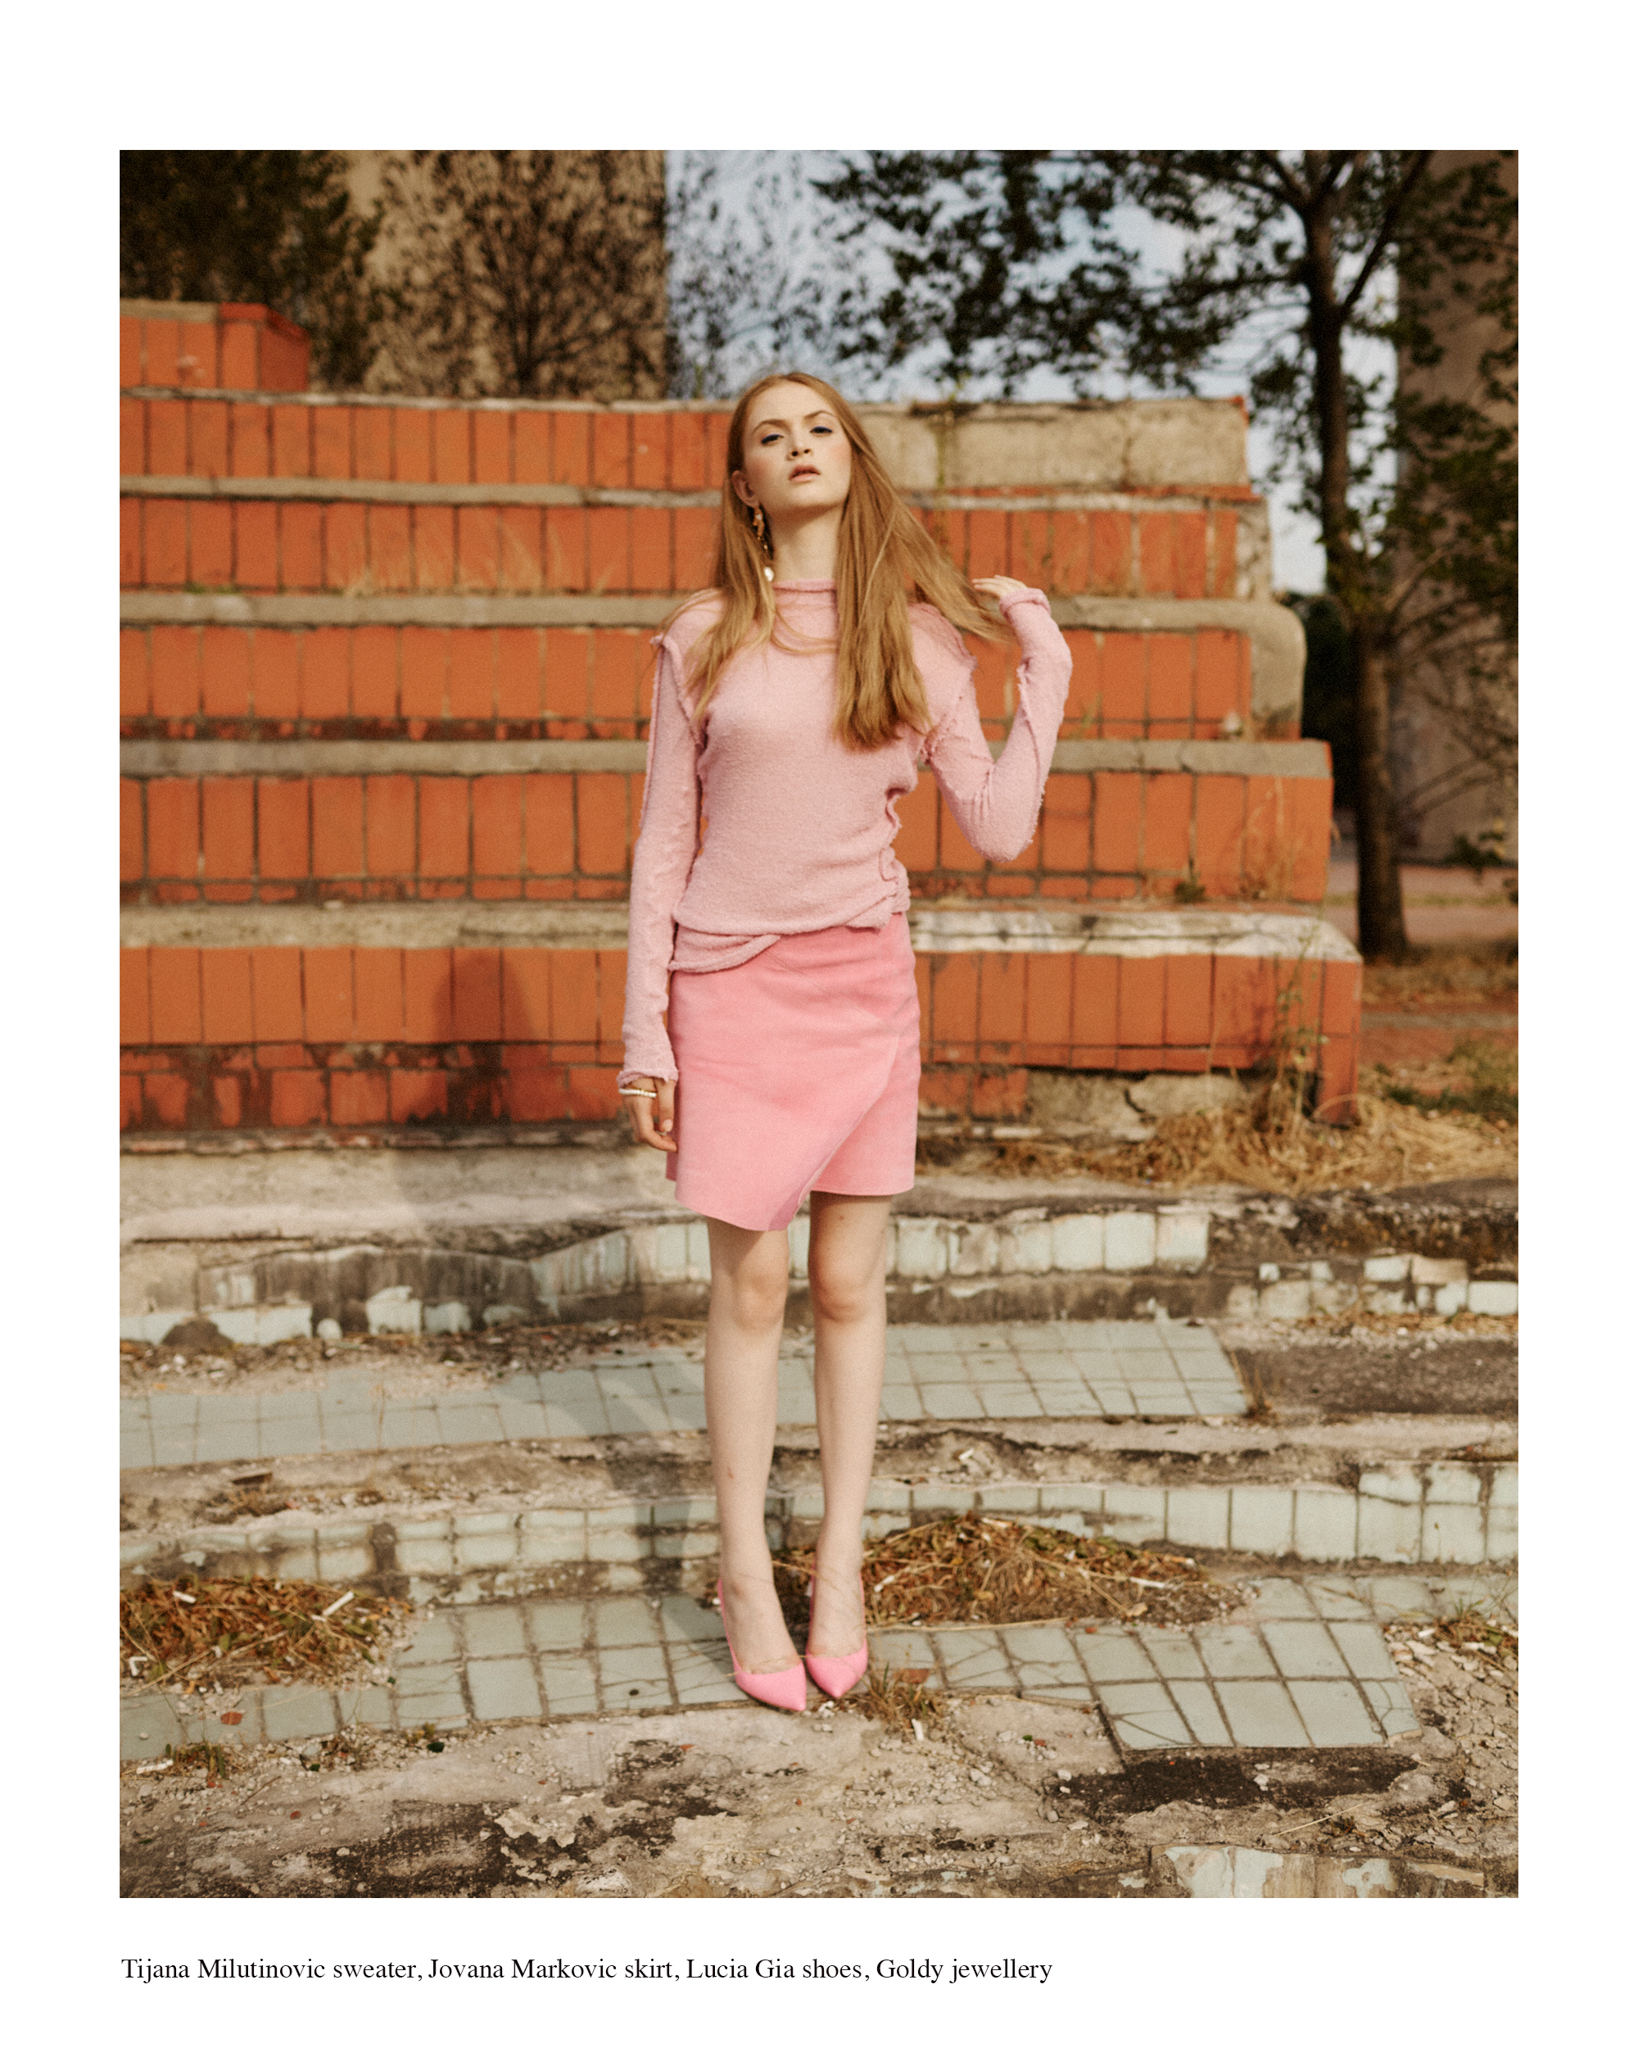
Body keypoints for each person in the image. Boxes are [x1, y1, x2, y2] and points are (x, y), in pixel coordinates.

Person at [617, 372, 1072, 1710]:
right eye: (772, 435)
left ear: (853, 462)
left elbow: (997, 826)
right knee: (753, 1286)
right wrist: (647, 1032)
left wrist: (1044, 672)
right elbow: (661, 844)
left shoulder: (920, 643)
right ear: (745, 486)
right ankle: (743, 1571)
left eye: (820, 427)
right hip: (728, 986)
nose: (799, 445)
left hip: (864, 987)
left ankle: (839, 1567)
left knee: (847, 1287)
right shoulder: (701, 638)